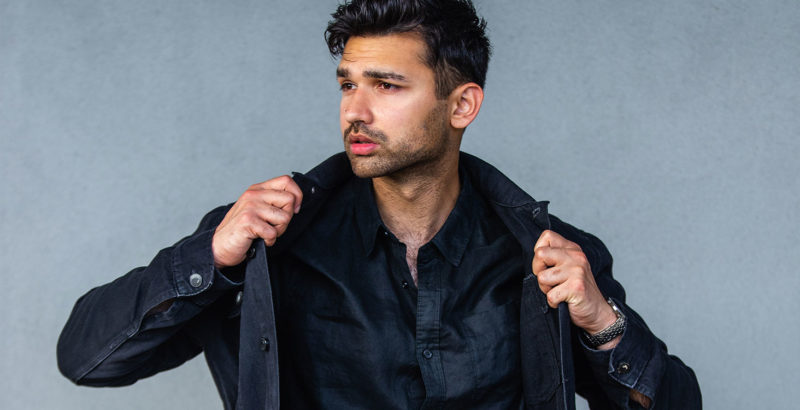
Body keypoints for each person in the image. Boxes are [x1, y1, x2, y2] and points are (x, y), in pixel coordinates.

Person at [57, 0, 701, 409]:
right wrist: (211, 258)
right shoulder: (266, 243)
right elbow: (87, 360)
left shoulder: (547, 256)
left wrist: (601, 322)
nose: (355, 111)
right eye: (348, 84)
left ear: (462, 105)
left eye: (387, 86)